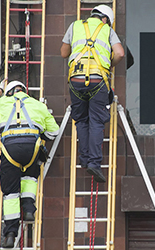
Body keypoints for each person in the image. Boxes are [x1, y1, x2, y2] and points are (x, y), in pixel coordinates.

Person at [0, 80, 59, 248]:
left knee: (10, 192)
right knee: (30, 176)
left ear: (9, 92)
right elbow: (53, 131)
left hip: (9, 150)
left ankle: (11, 233)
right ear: (25, 91)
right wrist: (39, 136)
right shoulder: (38, 105)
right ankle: (28, 209)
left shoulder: (3, 101)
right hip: (31, 148)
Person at [60, 4, 125, 183]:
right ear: (105, 19)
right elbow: (120, 53)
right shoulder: (106, 29)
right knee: (96, 121)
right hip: (98, 80)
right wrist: (108, 64)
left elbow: (63, 53)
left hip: (76, 80)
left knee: (81, 119)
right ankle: (94, 164)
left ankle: (84, 159)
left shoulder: (75, 26)